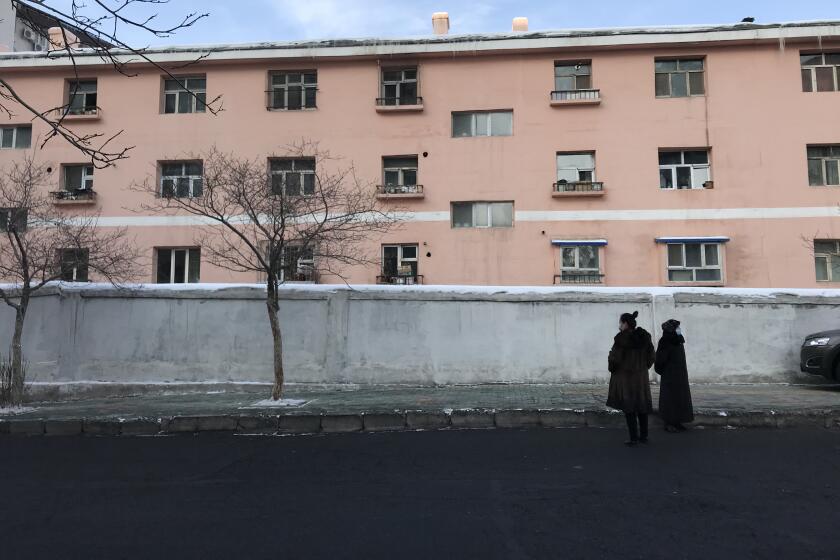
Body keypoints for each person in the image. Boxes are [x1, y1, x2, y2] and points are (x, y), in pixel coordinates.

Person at [607, 311, 656, 446]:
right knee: (641, 405)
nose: (619, 325)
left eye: (621, 322)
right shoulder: (645, 337)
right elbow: (652, 356)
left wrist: (611, 362)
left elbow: (614, 360)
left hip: (626, 378)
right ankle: (644, 436)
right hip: (641, 377)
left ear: (626, 324)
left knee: (629, 408)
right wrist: (643, 367)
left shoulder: (621, 339)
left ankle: (633, 438)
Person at [654, 319, 694, 432]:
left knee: (680, 398)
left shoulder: (679, 340)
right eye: (677, 328)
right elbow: (660, 359)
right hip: (669, 375)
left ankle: (677, 421)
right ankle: (669, 423)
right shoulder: (665, 341)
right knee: (670, 399)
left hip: (679, 375)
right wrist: (663, 371)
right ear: (671, 329)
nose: (679, 330)